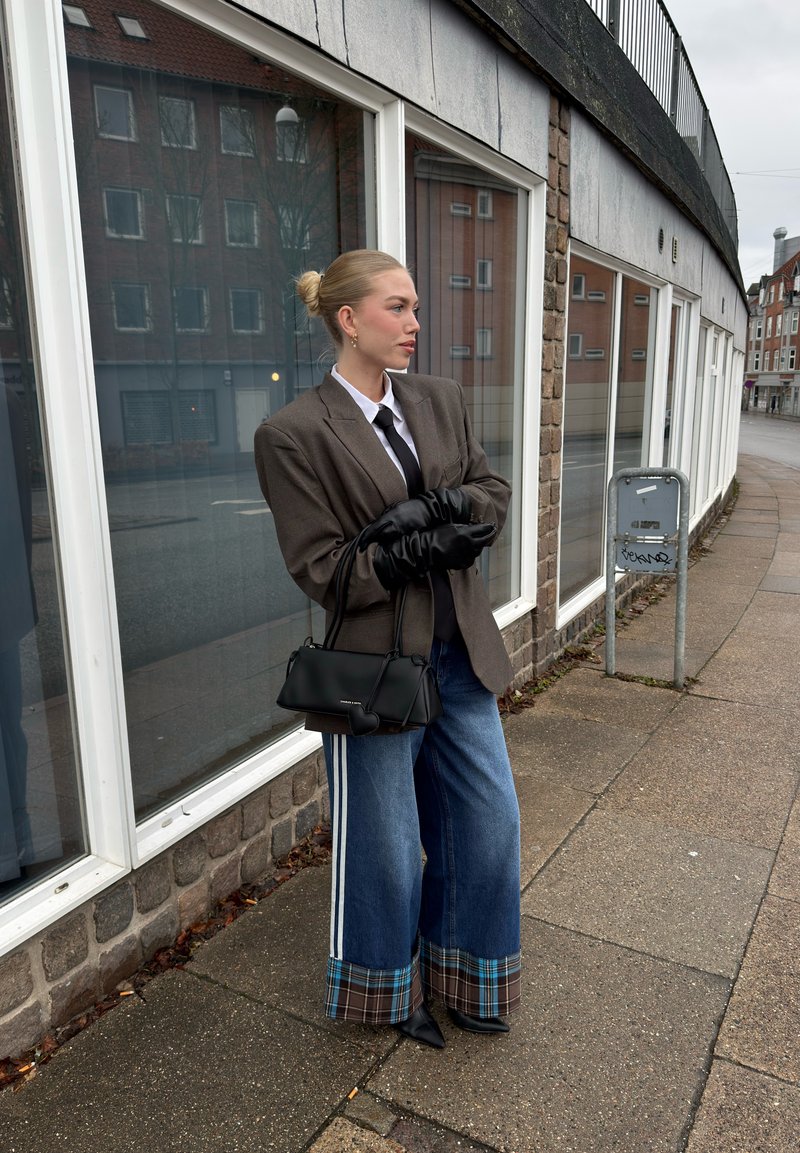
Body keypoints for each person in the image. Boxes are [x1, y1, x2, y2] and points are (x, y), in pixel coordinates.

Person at [254, 249, 520, 1049]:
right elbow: (322, 569)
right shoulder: (294, 434)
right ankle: (385, 991)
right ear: (348, 319)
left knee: (488, 823)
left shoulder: (438, 399)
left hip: (458, 653)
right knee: (388, 850)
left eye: (413, 307)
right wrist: (410, 551)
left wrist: (440, 505)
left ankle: (469, 975)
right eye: (397, 308)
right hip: (374, 672)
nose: (414, 324)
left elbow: (491, 494)